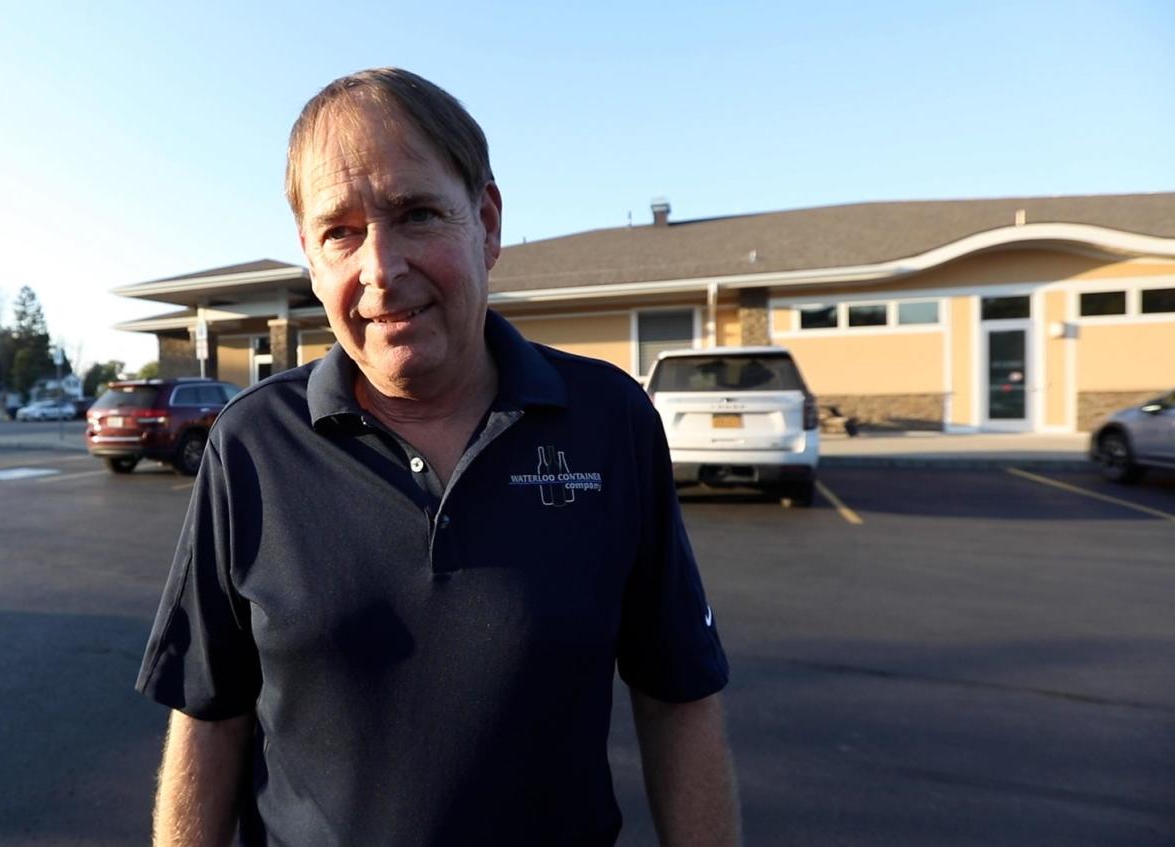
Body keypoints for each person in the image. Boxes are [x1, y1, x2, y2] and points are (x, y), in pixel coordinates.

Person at [136, 67, 740, 846]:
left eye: (416, 213)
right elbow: (208, 717)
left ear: (486, 223)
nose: (381, 270)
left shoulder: (610, 422)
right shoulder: (250, 445)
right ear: (312, 261)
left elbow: (677, 696)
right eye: (341, 232)